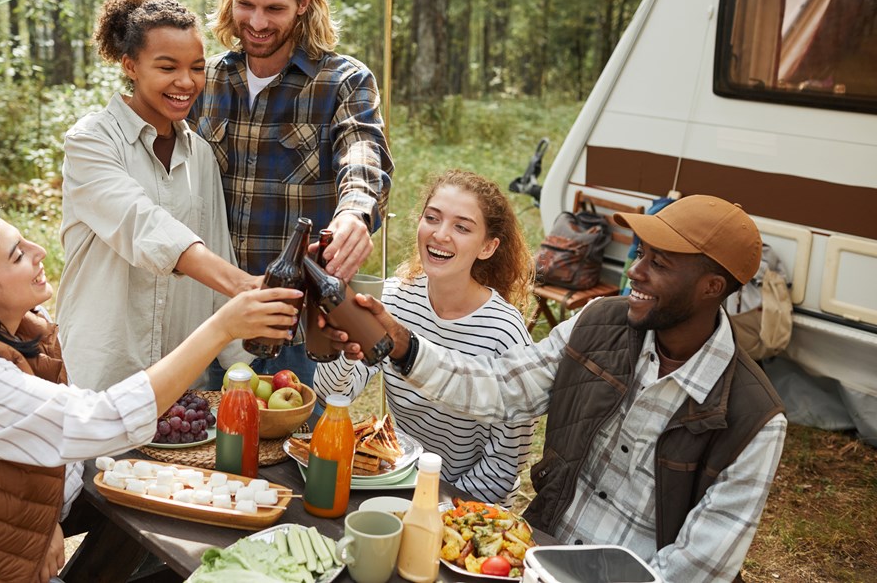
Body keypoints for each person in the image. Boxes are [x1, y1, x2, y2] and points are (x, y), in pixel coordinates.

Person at [337, 195, 788, 581]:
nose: (636, 271)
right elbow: (498, 386)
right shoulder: (599, 324)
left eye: (659, 263)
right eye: (641, 253)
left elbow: (696, 567)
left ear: (711, 287)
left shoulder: (754, 419)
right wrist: (402, 345)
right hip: (538, 554)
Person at [0, 203, 299, 582]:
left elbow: (52, 440)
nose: (39, 251)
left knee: (143, 494)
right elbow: (99, 421)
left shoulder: (12, 331)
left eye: (25, 241)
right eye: (17, 255)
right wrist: (219, 328)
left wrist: (46, 519)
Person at [191, 0, 394, 389]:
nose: (257, 22)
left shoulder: (343, 81)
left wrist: (355, 214)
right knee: (203, 450)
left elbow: (364, 154)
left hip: (298, 327)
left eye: (274, 9)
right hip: (212, 314)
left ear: (304, 3)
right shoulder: (208, 80)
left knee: (292, 454)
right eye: (246, 5)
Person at [59, 0, 257, 392]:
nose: (186, 83)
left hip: (179, 379)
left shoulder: (200, 155)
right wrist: (243, 285)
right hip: (104, 373)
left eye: (197, 68)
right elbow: (142, 225)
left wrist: (248, 370)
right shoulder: (92, 142)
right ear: (130, 66)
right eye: (167, 67)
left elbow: (217, 249)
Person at [314, 170, 534, 505]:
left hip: (468, 506)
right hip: (397, 482)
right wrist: (345, 336)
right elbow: (331, 393)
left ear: (488, 247)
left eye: (462, 227)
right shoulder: (395, 299)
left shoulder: (505, 334)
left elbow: (505, 461)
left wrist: (440, 508)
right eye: (432, 218)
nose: (440, 235)